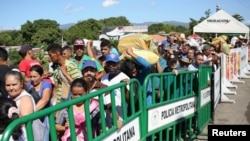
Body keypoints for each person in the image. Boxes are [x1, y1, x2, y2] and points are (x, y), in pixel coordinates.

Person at [5, 70, 47, 141]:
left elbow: (24, 124)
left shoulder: (25, 99)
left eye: (14, 84)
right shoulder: (9, 97)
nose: (11, 88)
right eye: (8, 85)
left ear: (21, 84)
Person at [101, 53, 130, 128]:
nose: (111, 66)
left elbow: (128, 99)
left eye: (114, 64)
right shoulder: (104, 77)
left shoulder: (124, 77)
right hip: (106, 113)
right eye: (109, 64)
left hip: (120, 115)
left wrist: (124, 88)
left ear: (118, 64)